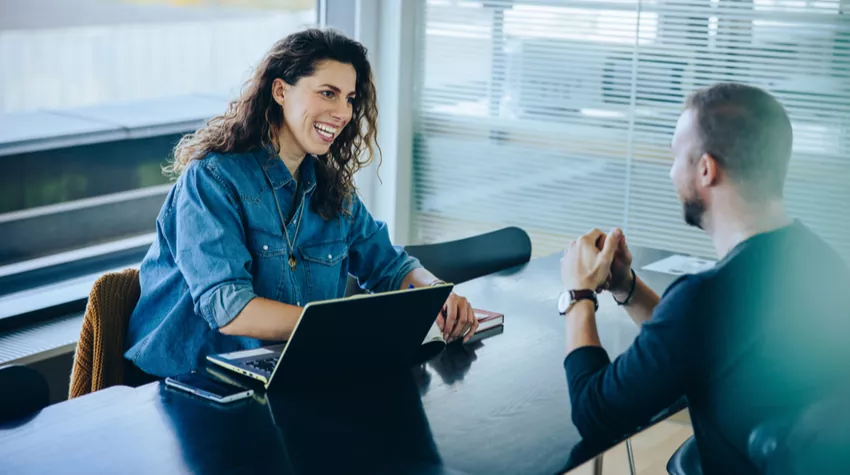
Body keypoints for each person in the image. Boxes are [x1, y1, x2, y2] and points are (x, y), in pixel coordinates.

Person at [125, 29, 478, 378]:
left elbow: (390, 267)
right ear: (280, 91)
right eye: (328, 93)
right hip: (184, 382)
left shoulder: (332, 189)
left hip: (286, 369)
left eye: (350, 99)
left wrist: (436, 294)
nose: (343, 113)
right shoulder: (212, 180)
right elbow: (230, 309)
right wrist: (340, 327)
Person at [558, 83, 850, 474]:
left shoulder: (705, 298)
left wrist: (578, 294)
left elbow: (594, 415)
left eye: (675, 156)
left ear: (706, 169)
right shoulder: (821, 260)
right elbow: (702, 345)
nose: (669, 170)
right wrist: (625, 286)